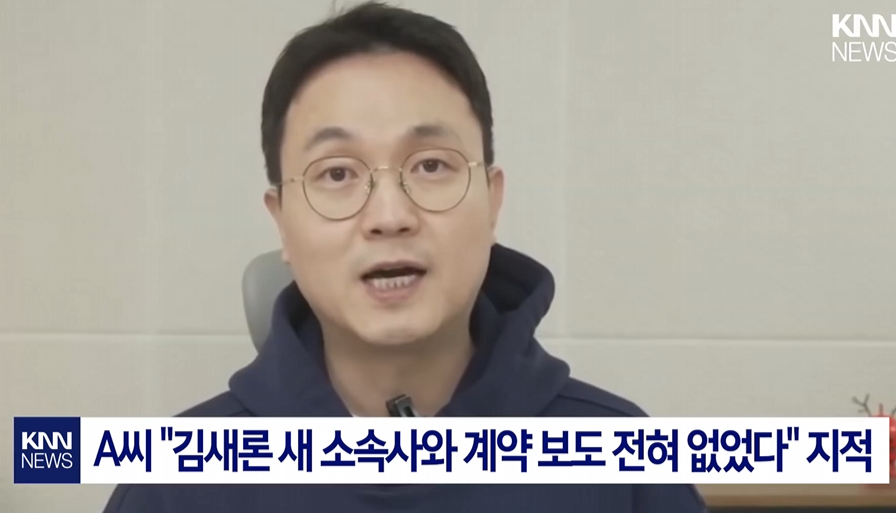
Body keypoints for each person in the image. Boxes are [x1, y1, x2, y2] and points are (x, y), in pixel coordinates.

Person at [103, 2, 706, 511]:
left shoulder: (625, 470)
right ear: (281, 220)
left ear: (492, 202)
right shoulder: (174, 487)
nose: (389, 215)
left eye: (432, 165)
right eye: (337, 173)